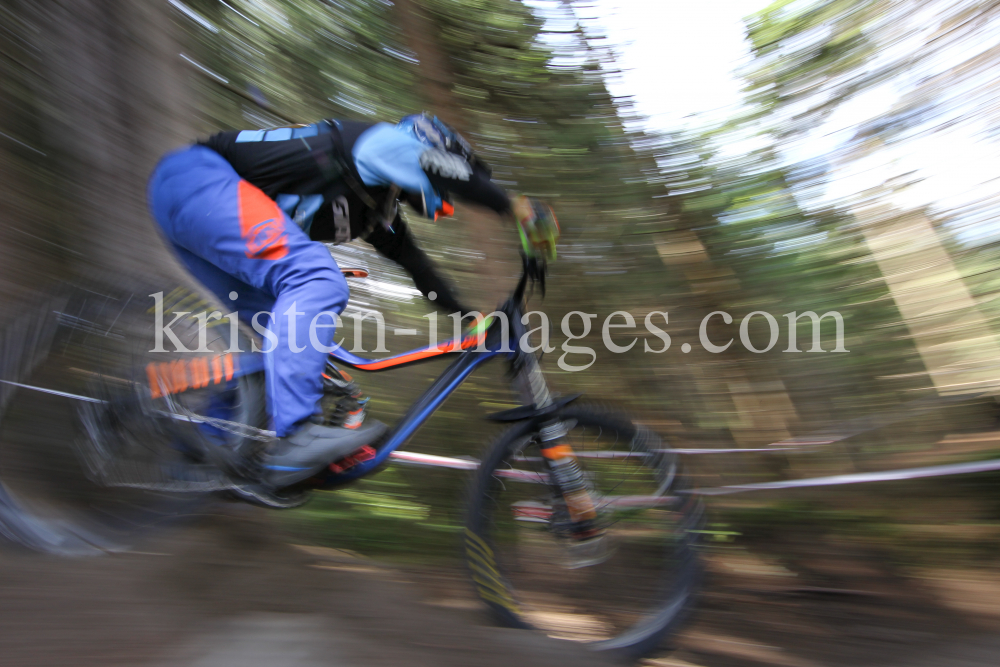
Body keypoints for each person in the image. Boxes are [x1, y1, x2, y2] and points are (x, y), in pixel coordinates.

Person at [147, 113, 558, 488]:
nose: (442, 208)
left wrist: (469, 317)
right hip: (198, 180)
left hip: (189, 205)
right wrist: (515, 207)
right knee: (316, 278)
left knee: (294, 351)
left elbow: (418, 267)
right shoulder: (381, 142)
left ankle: (205, 451)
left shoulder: (374, 206)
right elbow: (440, 169)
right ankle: (297, 436)